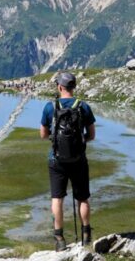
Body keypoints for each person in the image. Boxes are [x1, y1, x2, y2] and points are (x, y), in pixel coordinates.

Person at [39, 71, 96, 251]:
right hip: (79, 159)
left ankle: (60, 239)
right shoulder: (83, 107)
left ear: (59, 87)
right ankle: (86, 236)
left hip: (56, 160)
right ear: (74, 87)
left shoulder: (50, 107)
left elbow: (43, 134)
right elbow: (91, 135)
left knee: (57, 199)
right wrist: (79, 142)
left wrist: (56, 139)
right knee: (83, 198)